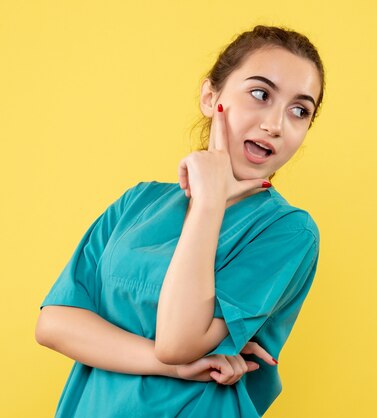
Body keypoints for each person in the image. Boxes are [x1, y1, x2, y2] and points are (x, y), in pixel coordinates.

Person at [35, 25, 325, 418]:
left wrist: (209, 203)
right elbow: (53, 323)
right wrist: (166, 365)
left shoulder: (288, 231)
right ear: (211, 97)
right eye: (260, 94)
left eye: (299, 110)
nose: (275, 124)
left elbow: (178, 341)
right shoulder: (138, 202)